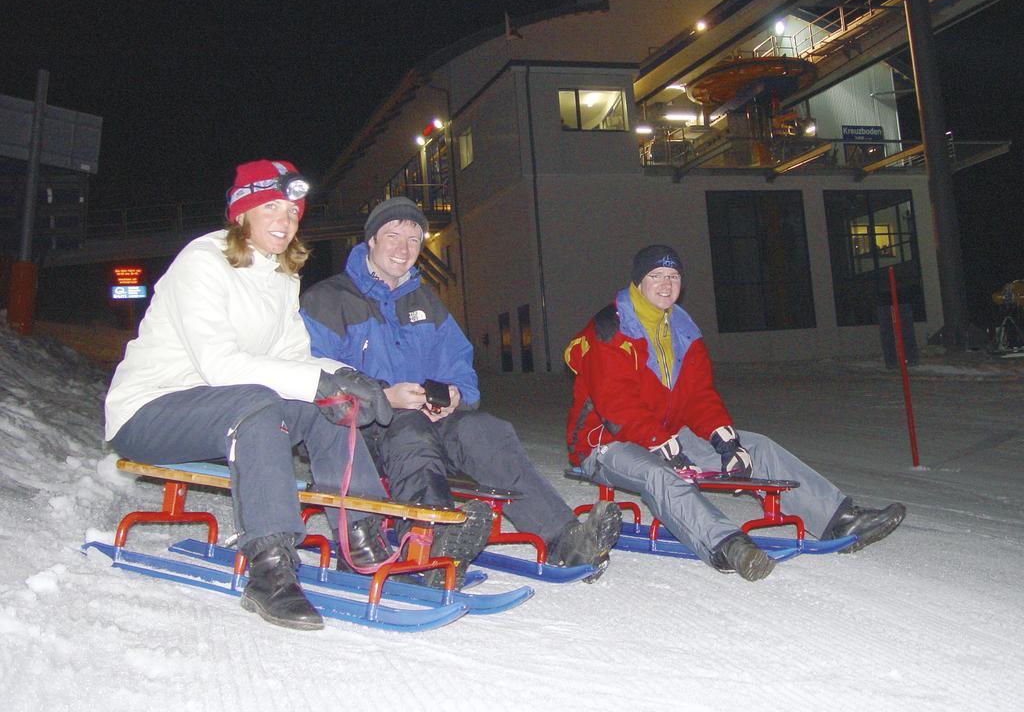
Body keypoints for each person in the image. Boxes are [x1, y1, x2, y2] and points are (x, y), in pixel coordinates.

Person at [104, 159, 395, 630]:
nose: (285, 221)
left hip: (225, 406)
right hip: (150, 410)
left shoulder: (280, 275)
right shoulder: (202, 262)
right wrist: (315, 381)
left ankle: (360, 535)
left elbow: (293, 358)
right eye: (272, 208)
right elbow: (219, 366)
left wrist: (346, 378)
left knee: (325, 407)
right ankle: (269, 567)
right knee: (256, 403)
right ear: (243, 212)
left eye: (294, 211)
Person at [300, 196, 622, 585]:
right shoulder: (328, 300)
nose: (404, 248)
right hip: (359, 431)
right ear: (370, 240)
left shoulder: (426, 302)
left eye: (414, 239)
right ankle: (430, 543)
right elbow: (318, 378)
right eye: (393, 235)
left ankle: (564, 538)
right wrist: (384, 398)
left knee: (483, 431)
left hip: (421, 416)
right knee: (409, 429)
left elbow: (456, 359)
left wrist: (454, 394)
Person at [564, 244, 906, 582]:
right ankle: (729, 546)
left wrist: (724, 438)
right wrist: (661, 444)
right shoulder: (611, 328)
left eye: (673, 276)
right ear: (638, 282)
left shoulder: (682, 329)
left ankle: (840, 519)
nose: (666, 284)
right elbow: (616, 404)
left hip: (664, 433)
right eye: (656, 275)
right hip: (605, 442)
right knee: (660, 475)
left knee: (757, 446)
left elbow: (698, 396)